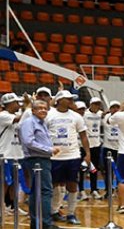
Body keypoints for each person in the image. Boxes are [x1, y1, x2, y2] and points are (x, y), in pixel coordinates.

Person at [46, 90, 90, 226]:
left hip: (72, 156)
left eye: (72, 99)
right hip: (54, 157)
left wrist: (87, 154)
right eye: (68, 99)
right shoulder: (48, 114)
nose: (71, 101)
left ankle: (71, 213)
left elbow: (83, 136)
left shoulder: (76, 116)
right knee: (53, 185)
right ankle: (53, 211)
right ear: (59, 100)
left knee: (72, 185)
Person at [20, 100, 61, 229]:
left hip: (41, 159)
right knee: (44, 191)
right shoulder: (29, 122)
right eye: (39, 108)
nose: (43, 110)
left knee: (37, 191)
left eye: (45, 108)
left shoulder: (41, 123)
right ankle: (45, 223)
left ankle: (38, 222)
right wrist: (49, 149)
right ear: (33, 110)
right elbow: (28, 142)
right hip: (37, 160)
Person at [1, 93, 26, 215]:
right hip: (5, 154)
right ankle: (1, 207)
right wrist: (28, 106)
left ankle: (13, 206)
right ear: (10, 104)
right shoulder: (3, 116)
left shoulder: (15, 115)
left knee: (15, 183)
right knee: (4, 182)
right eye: (16, 102)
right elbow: (18, 119)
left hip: (17, 154)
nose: (19, 104)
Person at [83, 97, 103, 200]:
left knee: (94, 169)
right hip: (85, 146)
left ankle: (94, 189)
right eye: (95, 104)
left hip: (96, 145)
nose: (97, 106)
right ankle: (81, 191)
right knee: (81, 169)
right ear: (90, 104)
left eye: (98, 104)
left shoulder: (100, 114)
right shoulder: (84, 114)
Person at [101, 100, 120, 199]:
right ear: (110, 109)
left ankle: (119, 189)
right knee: (108, 171)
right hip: (108, 148)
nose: (115, 109)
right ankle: (109, 190)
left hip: (120, 148)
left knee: (120, 170)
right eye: (113, 107)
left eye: (117, 107)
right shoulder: (106, 118)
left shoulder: (122, 118)